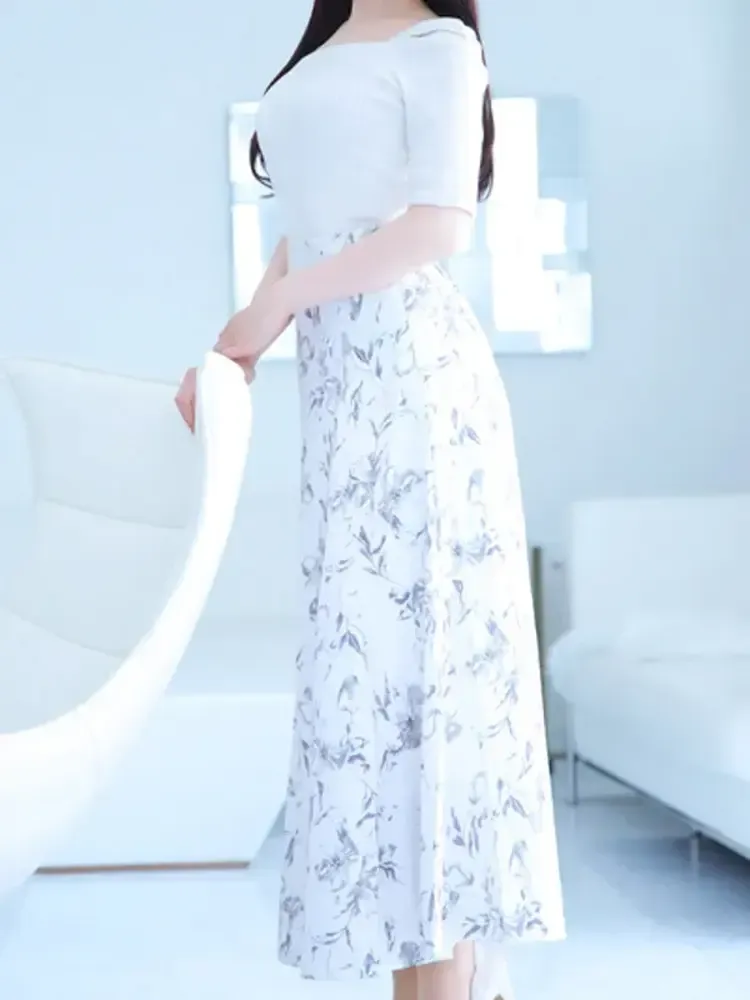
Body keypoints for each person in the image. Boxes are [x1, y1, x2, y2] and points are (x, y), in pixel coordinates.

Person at [175, 1, 565, 996]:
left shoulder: (440, 45)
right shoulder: (332, 45)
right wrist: (236, 343)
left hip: (417, 385)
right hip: (344, 398)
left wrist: (279, 303)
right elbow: (309, 231)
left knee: (421, 692)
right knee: (379, 693)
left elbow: (441, 223)